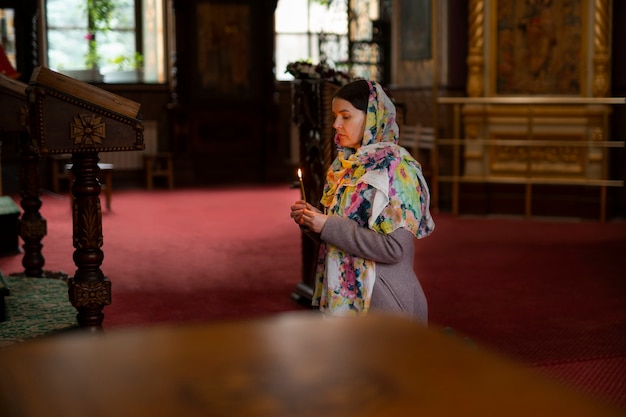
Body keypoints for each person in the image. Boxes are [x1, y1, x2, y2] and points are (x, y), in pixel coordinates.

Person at [290, 79, 435, 323]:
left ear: (372, 118)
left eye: (346, 116)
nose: (336, 124)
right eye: (335, 116)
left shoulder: (397, 171)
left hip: (384, 308)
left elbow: (394, 249)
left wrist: (328, 225)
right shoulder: (345, 167)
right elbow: (344, 238)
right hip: (345, 302)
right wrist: (314, 222)